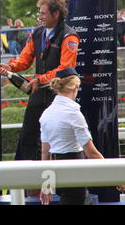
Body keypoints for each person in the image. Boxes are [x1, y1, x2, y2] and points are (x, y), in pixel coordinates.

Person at [0, 0, 79, 165]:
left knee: (58, 139)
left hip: (60, 95)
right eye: (39, 13)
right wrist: (10, 67)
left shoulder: (69, 36)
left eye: (43, 13)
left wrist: (40, 80)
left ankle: (62, 184)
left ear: (56, 14)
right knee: (28, 135)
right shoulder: (38, 33)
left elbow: (65, 69)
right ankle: (27, 186)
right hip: (37, 91)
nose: (39, 17)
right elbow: (25, 59)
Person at [39, 67, 104, 205]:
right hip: (74, 171)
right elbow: (91, 153)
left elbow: (45, 152)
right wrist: (116, 176)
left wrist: (46, 184)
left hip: (58, 172)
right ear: (75, 87)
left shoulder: (46, 114)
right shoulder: (73, 114)